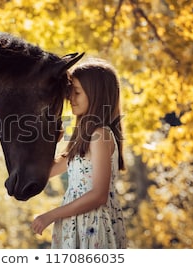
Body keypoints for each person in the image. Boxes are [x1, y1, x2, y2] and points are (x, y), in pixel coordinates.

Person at [31, 58, 127, 248]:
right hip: (76, 224)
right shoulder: (83, 139)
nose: (70, 99)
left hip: (92, 227)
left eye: (76, 92)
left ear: (96, 95)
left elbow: (99, 195)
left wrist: (50, 215)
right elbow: (47, 172)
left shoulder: (100, 136)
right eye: (69, 92)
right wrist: (50, 140)